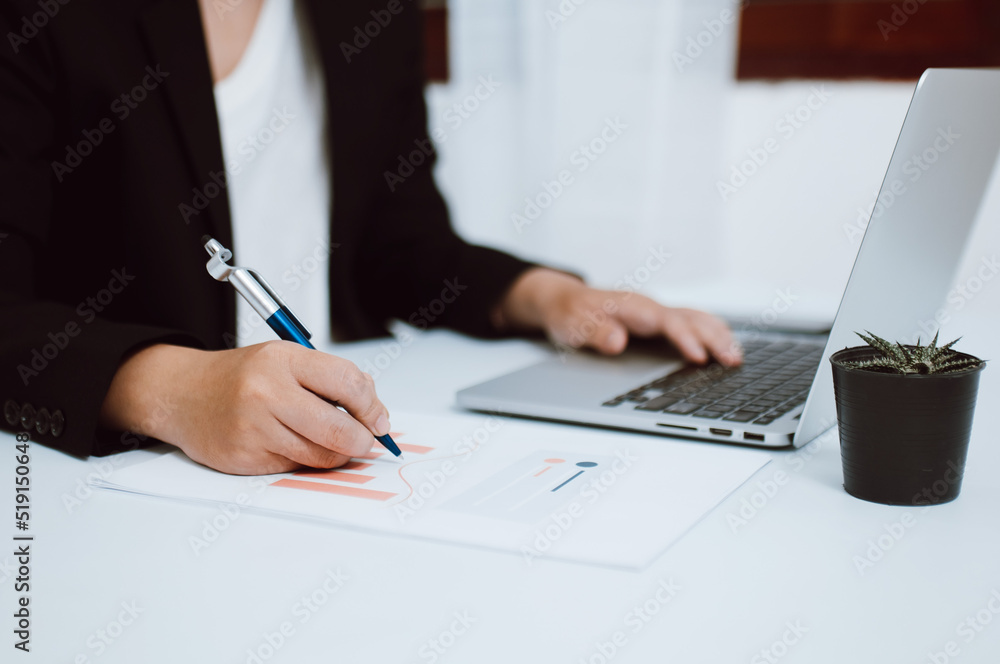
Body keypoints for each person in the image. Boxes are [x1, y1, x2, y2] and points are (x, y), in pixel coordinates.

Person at [0, 0, 740, 475]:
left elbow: (402, 244)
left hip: (326, 460)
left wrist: (556, 299)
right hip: (111, 483)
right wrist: (175, 389)